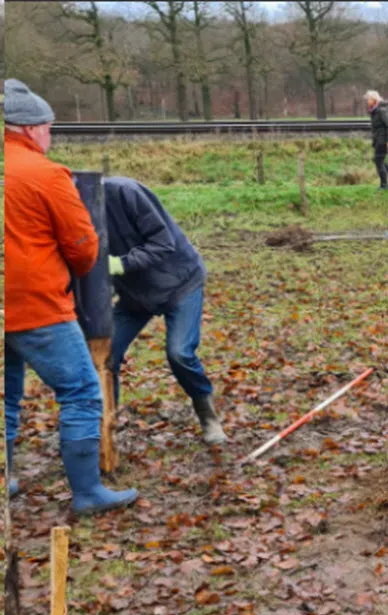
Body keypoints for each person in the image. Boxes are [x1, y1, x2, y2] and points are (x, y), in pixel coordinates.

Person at [3, 78, 139, 514]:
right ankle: (87, 492)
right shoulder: (45, 174)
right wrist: (79, 275)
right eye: (48, 128)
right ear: (29, 129)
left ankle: (7, 479)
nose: (50, 136)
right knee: (81, 390)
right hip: (35, 304)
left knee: (6, 394)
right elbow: (83, 244)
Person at [103, 176, 226, 445]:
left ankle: (208, 416)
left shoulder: (126, 192)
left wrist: (119, 265)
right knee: (105, 355)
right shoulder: (70, 213)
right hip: (135, 295)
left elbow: (162, 242)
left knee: (179, 353)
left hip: (179, 282)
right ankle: (105, 426)